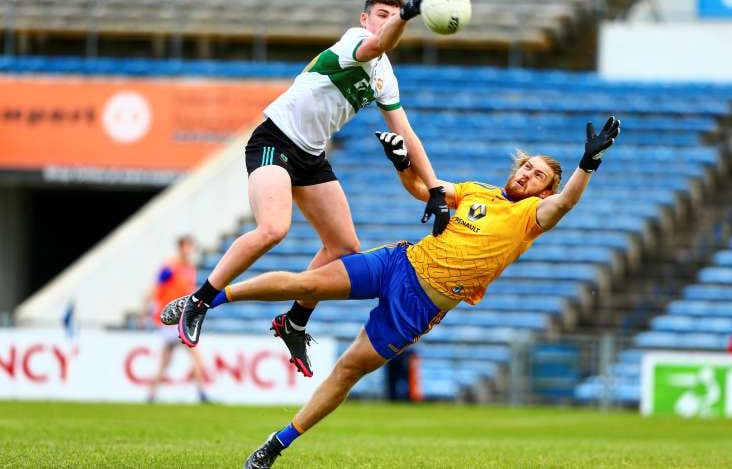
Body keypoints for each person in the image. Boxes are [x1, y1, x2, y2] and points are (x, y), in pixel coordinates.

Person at [203, 117, 620, 467]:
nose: (526, 174)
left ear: (544, 191)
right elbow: (423, 190)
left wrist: (588, 163)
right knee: (307, 283)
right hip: (399, 263)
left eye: (537, 175)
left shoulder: (533, 214)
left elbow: (566, 203)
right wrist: (402, 163)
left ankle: (276, 445)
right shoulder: (476, 191)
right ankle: (205, 300)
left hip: (418, 308)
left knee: (348, 370)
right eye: (526, 166)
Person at [160, 0, 451, 380]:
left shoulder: (384, 75)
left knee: (344, 247)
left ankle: (294, 322)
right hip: (275, 140)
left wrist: (434, 190)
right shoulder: (356, 40)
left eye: (392, 15)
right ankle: (199, 301)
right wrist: (406, 14)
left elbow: (407, 133)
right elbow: (377, 43)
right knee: (273, 229)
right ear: (365, 19)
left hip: (311, 156)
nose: (386, 22)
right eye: (380, 15)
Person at [144, 236, 208, 403]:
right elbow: (155, 288)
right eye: (187, 246)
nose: (190, 250)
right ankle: (202, 394)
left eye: (191, 246)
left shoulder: (190, 268)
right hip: (170, 319)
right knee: (196, 355)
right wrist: (144, 311)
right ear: (180, 247)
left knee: (166, 362)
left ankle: (151, 394)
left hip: (180, 318)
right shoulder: (170, 267)